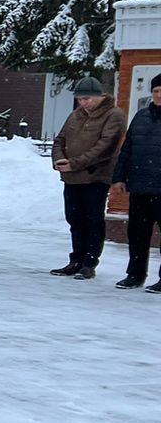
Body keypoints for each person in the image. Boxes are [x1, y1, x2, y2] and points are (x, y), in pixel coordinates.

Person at [50, 76, 126, 280]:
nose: (85, 103)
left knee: (92, 220)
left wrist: (74, 163)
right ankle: (75, 259)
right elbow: (60, 140)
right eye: (81, 99)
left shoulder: (114, 115)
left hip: (95, 177)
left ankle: (89, 263)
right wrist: (59, 160)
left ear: (100, 96)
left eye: (88, 99)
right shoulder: (76, 115)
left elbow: (105, 147)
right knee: (74, 218)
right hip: (71, 178)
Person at [112, 72, 161, 291]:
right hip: (140, 187)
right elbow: (127, 149)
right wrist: (119, 177)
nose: (159, 95)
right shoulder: (141, 117)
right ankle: (135, 274)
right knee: (137, 235)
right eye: (156, 91)